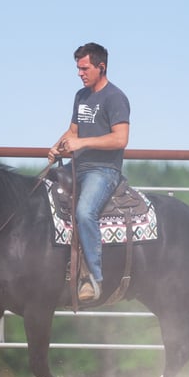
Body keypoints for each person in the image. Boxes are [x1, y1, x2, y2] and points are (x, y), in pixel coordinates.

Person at [48, 42, 130, 302]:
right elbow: (73, 131)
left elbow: (120, 139)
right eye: (78, 68)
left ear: (101, 67)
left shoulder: (115, 98)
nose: (79, 73)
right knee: (41, 198)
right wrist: (57, 146)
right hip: (77, 167)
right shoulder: (81, 96)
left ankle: (93, 277)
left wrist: (82, 143)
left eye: (84, 68)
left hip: (104, 170)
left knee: (85, 211)